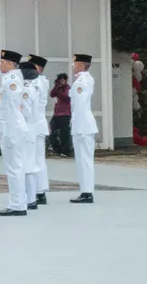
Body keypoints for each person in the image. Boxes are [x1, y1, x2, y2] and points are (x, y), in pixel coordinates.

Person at [0, 50, 30, 216]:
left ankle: (17, 205)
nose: (0, 65)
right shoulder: (12, 79)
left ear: (10, 64)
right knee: (16, 167)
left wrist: (0, 130)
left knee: (14, 168)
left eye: (2, 62)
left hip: (12, 128)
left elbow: (7, 110)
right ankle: (18, 203)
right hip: (13, 127)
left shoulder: (11, 80)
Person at [69, 54, 98, 204]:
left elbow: (79, 105)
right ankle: (85, 191)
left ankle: (87, 192)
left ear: (80, 65)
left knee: (85, 160)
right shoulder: (84, 79)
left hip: (83, 126)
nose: (73, 66)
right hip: (82, 125)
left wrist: (76, 124)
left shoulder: (82, 81)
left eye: (75, 63)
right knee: (82, 160)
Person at [26, 54, 51, 204]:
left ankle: (39, 191)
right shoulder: (41, 81)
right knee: (37, 158)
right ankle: (39, 190)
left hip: (35, 124)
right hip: (38, 124)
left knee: (37, 159)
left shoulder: (37, 82)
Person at [18, 62, 42, 211]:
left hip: (25, 130)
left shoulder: (26, 90)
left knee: (26, 166)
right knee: (30, 165)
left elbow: (25, 111)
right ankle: (31, 198)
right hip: (31, 129)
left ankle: (30, 198)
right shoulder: (33, 88)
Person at [48, 73, 73, 157]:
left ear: (66, 80)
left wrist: (59, 89)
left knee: (64, 134)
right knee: (51, 132)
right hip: (57, 114)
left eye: (63, 80)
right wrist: (56, 86)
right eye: (60, 80)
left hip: (65, 114)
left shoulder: (68, 88)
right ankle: (57, 149)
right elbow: (51, 94)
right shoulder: (58, 87)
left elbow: (66, 98)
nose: (61, 82)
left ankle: (65, 151)